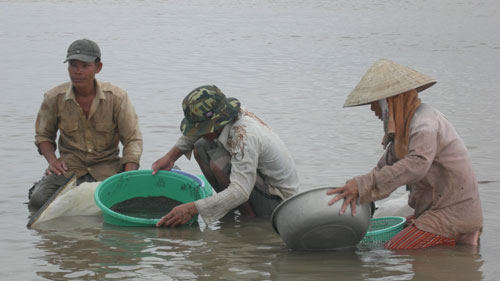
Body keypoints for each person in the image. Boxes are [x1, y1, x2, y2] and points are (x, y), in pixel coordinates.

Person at [327, 59, 483, 250]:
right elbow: (383, 168)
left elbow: (415, 165)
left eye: (375, 103)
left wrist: (362, 186)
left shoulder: (425, 123)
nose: (372, 109)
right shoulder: (403, 129)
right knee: (399, 236)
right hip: (433, 211)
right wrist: (353, 193)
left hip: (452, 213)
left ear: (389, 101)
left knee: (395, 249)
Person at [151, 85, 299, 227]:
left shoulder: (244, 136)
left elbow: (240, 191)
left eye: (201, 128)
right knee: (201, 147)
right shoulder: (230, 116)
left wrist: (191, 208)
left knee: (219, 165)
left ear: (214, 124)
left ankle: (248, 219)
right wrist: (170, 157)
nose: (198, 133)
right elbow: (194, 136)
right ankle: (228, 208)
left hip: (279, 202)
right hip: (260, 186)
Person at [28, 38, 143, 209]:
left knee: (130, 203)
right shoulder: (53, 98)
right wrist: (52, 161)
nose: (78, 72)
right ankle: (41, 185)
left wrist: (127, 178)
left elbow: (132, 140)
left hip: (108, 168)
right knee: (38, 201)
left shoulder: (117, 97)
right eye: (73, 65)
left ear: (98, 67)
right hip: (69, 168)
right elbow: (43, 135)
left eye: (84, 66)